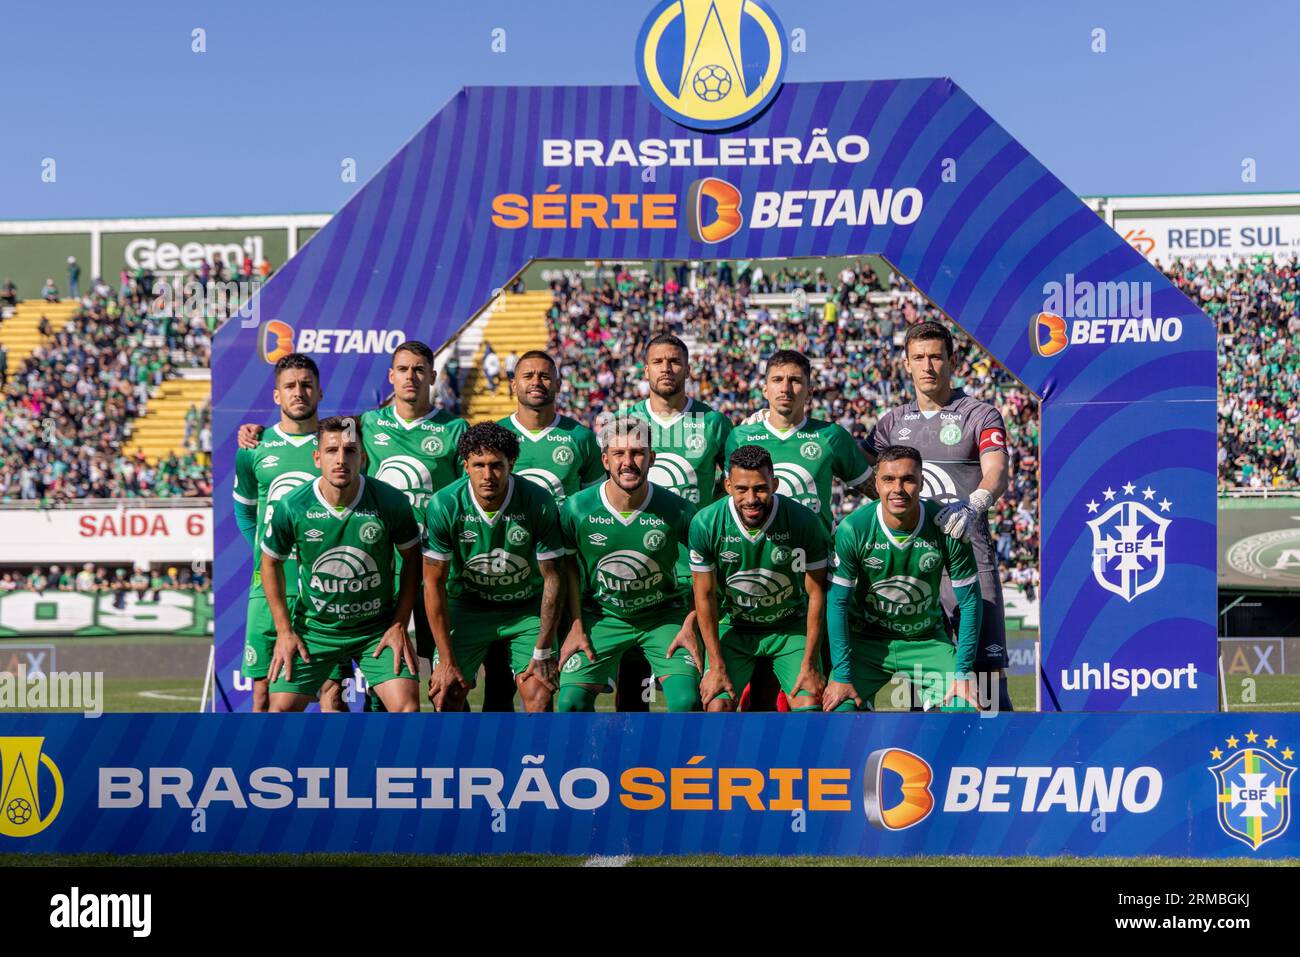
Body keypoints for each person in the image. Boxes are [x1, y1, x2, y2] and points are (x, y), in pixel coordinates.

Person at [865, 320, 1012, 711]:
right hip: (914, 570)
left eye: (935, 357)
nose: (928, 366)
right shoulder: (891, 423)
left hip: (970, 561)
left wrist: (976, 502)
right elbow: (862, 475)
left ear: (952, 360)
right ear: (906, 364)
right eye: (919, 358)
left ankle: (1002, 766)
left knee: (987, 684)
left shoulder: (979, 414)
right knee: (920, 690)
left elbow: (996, 469)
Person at [263, 415, 422, 712]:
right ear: (316, 458)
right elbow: (270, 563)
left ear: (362, 458)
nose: (340, 459)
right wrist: (285, 631)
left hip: (376, 629)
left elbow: (413, 559)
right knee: (279, 712)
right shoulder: (292, 505)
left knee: (407, 710)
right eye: (331, 451)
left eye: (349, 451)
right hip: (315, 631)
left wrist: (399, 623)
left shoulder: (390, 501)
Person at [556, 416, 701, 712]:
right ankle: (591, 759)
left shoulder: (679, 510)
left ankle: (679, 759)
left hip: (664, 617)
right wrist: (574, 624)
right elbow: (567, 569)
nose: (628, 462)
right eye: (619, 454)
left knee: (686, 701)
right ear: (605, 460)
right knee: (570, 703)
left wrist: (690, 622)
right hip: (601, 616)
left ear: (652, 458)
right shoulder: (576, 508)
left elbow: (707, 572)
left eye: (637, 453)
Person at [823, 446, 981, 713]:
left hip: (926, 641)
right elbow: (837, 603)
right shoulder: (853, 529)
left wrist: (964, 673)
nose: (898, 488)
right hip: (865, 642)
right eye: (888, 479)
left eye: (908, 479)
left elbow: (971, 603)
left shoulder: (946, 526)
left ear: (922, 482)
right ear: (876, 482)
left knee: (963, 709)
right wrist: (841, 674)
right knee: (840, 711)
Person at [232, 353, 348, 713]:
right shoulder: (254, 448)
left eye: (306, 385)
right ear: (276, 396)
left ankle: (335, 769)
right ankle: (260, 768)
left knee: (331, 693)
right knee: (263, 695)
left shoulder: (337, 446)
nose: (299, 392)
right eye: (290, 386)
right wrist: (268, 553)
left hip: (325, 587)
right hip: (269, 585)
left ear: (320, 392)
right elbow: (245, 510)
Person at [422, 423, 566, 713]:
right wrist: (446, 662)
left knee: (539, 692)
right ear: (465, 466)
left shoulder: (538, 502)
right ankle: (462, 757)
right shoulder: (444, 505)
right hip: (467, 608)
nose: (487, 475)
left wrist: (543, 649)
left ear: (511, 464)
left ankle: (533, 757)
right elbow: (433, 584)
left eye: (496, 465)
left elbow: (553, 578)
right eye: (478, 465)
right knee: (445, 693)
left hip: (524, 611)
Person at [688, 444, 830, 712]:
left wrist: (810, 663)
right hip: (735, 627)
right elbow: (704, 596)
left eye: (760, 488)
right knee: (717, 705)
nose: (751, 498)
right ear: (728, 485)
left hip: (789, 628)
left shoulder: (803, 521)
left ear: (774, 484)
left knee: (808, 704)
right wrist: (716, 666)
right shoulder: (706, 523)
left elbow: (816, 594)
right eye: (742, 489)